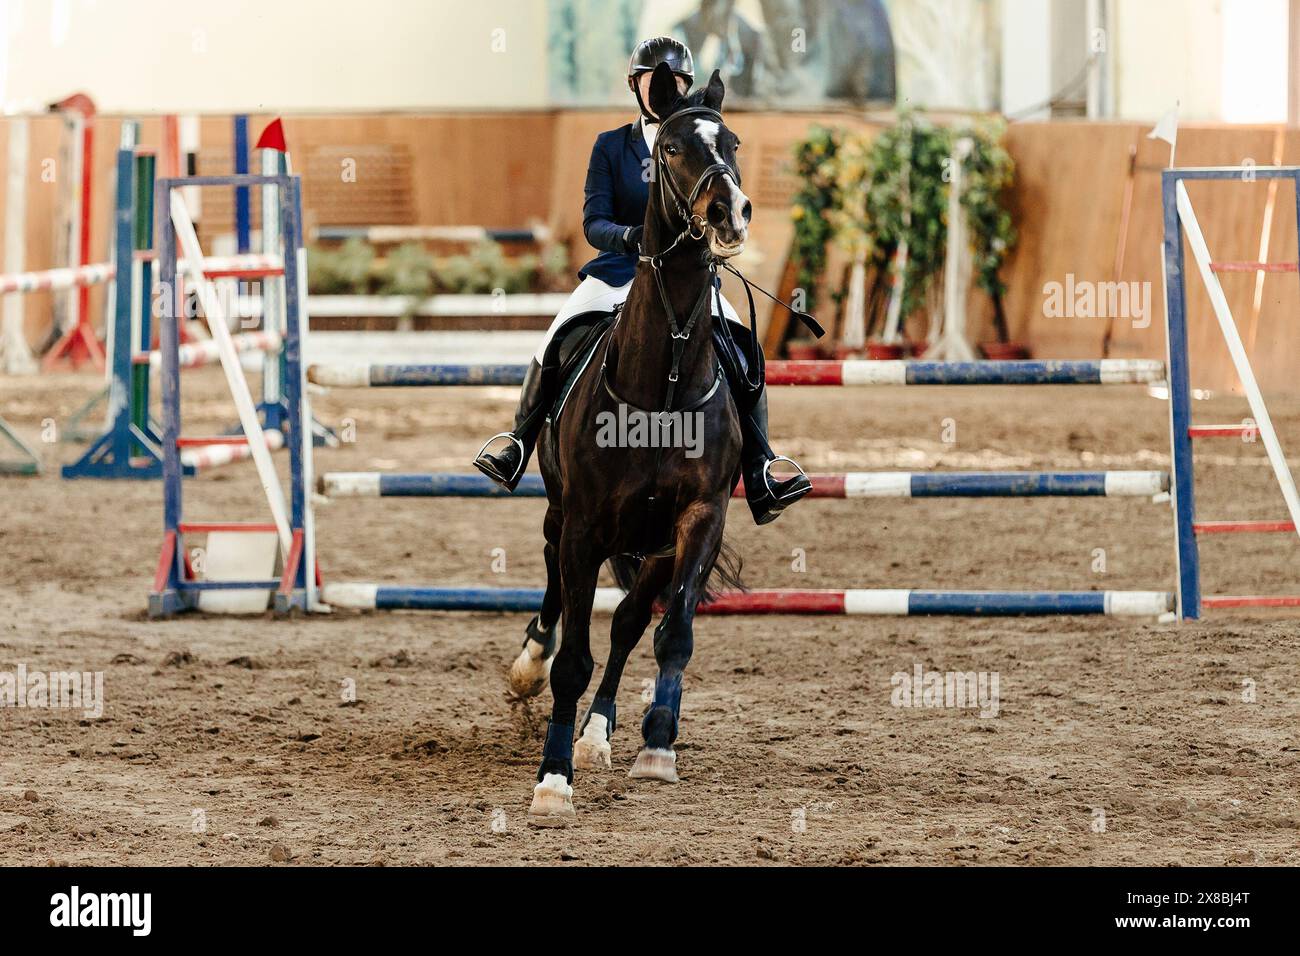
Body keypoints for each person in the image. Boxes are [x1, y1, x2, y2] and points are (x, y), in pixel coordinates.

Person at [473, 36, 811, 524]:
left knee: (743, 346)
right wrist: (634, 239)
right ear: (638, 85)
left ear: (686, 85)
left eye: (674, 78)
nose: (665, 85)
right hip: (616, 275)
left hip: (687, 285)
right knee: (555, 340)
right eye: (655, 78)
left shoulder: (705, 141)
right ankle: (518, 442)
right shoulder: (612, 146)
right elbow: (593, 222)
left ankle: (760, 466)